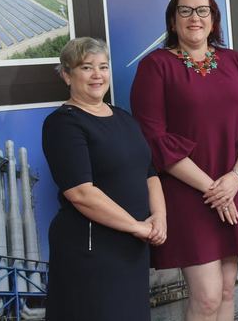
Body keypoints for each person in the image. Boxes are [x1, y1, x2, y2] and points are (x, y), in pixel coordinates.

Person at [130, 0, 238, 321]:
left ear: (214, 19)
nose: (194, 18)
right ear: (172, 21)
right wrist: (214, 189)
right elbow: (153, 139)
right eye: (185, 10)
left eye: (203, 11)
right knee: (208, 298)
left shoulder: (234, 61)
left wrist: (234, 179)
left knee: (228, 291)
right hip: (188, 193)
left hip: (234, 189)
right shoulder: (155, 66)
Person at [42, 37, 166, 321]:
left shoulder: (124, 118)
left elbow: (150, 173)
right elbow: (81, 193)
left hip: (133, 249)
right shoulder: (63, 123)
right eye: (86, 67)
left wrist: (159, 217)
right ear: (66, 74)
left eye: (103, 66)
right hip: (92, 252)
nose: (97, 75)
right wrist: (137, 226)